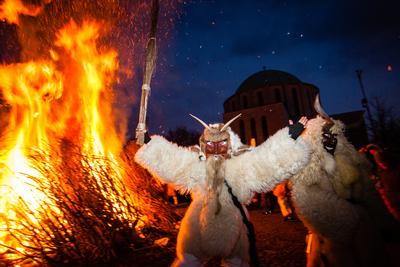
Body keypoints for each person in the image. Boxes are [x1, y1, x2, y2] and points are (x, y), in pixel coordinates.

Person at [135, 114, 309, 267]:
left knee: (236, 262)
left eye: (221, 144)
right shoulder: (198, 165)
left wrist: (289, 139)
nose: (216, 149)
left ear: (229, 144)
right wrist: (149, 143)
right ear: (204, 145)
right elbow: (174, 162)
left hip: (234, 227)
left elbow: (265, 161)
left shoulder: (242, 164)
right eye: (211, 144)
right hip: (198, 225)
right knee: (188, 260)